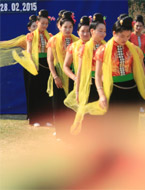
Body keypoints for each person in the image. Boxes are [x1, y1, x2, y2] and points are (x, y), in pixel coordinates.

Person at [64, 13, 106, 134]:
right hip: (84, 84)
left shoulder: (105, 46)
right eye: (83, 31)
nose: (85, 34)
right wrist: (76, 83)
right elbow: (73, 68)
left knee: (101, 114)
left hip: (101, 84)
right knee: (85, 116)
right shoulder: (77, 47)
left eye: (88, 31)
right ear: (78, 32)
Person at [13, 9, 53, 127]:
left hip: (45, 64)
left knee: (45, 91)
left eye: (46, 24)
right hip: (34, 63)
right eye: (42, 23)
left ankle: (47, 118)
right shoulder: (30, 35)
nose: (44, 26)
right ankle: (35, 118)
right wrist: (32, 63)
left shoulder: (49, 36)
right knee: (34, 91)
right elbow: (29, 50)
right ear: (37, 22)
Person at [47, 11, 78, 139]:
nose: (67, 29)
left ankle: (72, 131)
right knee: (59, 104)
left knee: (71, 104)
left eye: (70, 27)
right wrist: (55, 76)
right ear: (59, 26)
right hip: (59, 73)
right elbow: (50, 60)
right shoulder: (53, 40)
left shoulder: (76, 40)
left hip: (72, 74)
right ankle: (60, 132)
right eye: (65, 27)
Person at [0, 15, 37, 119]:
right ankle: (31, 115)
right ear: (29, 28)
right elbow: (7, 44)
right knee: (30, 90)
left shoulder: (44, 37)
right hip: (29, 67)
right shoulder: (24, 39)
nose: (36, 29)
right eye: (33, 27)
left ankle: (42, 115)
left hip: (41, 67)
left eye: (37, 26)